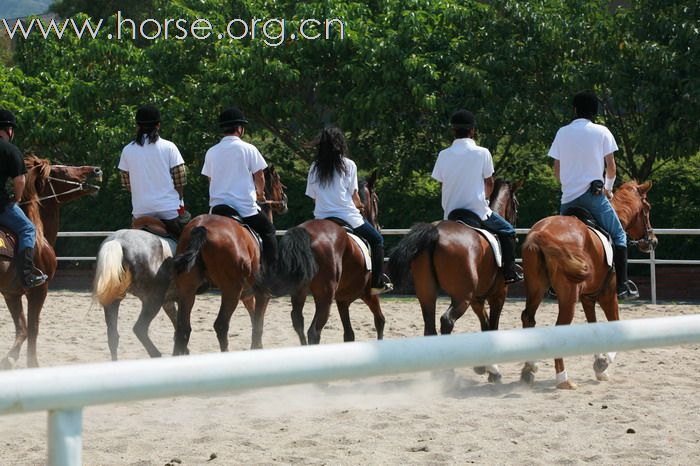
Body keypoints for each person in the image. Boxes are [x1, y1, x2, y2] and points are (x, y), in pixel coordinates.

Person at [549, 90, 638, 299]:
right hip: (594, 198)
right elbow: (612, 168)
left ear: (574, 109)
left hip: (568, 200)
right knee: (618, 235)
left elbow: (556, 170)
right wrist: (607, 189)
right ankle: (623, 285)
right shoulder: (603, 131)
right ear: (594, 111)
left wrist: (568, 186)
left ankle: (553, 284)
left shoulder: (562, 132)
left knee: (556, 239)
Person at [432, 109, 523, 284]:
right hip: (477, 211)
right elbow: (489, 182)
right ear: (472, 130)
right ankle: (510, 272)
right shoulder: (482, 152)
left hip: (450, 213)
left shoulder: (443, 154)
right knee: (508, 230)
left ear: (453, 131)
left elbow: (442, 185)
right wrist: (486, 199)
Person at [305, 126, 393, 295]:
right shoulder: (348, 165)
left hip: (321, 217)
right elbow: (354, 195)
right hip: (347, 215)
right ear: (340, 144)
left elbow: (313, 197)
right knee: (376, 240)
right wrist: (360, 206)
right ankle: (377, 283)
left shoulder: (314, 167)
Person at [202, 107, 277, 271]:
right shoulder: (249, 149)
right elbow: (260, 176)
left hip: (217, 209)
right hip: (244, 209)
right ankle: (271, 273)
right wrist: (260, 193)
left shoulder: (211, 151)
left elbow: (210, 179)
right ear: (239, 128)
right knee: (269, 231)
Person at [118, 105, 188, 239]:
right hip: (169, 212)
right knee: (189, 246)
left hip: (141, 212)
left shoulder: (127, 150)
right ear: (158, 125)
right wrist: (178, 198)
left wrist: (143, 194)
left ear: (137, 126)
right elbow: (180, 179)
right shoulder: (169, 147)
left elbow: (126, 183)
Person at [0, 109, 48, 288]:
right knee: (28, 228)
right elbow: (20, 180)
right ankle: (27, 275)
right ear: (8, 130)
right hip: (1, 206)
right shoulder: (10, 150)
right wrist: (17, 198)